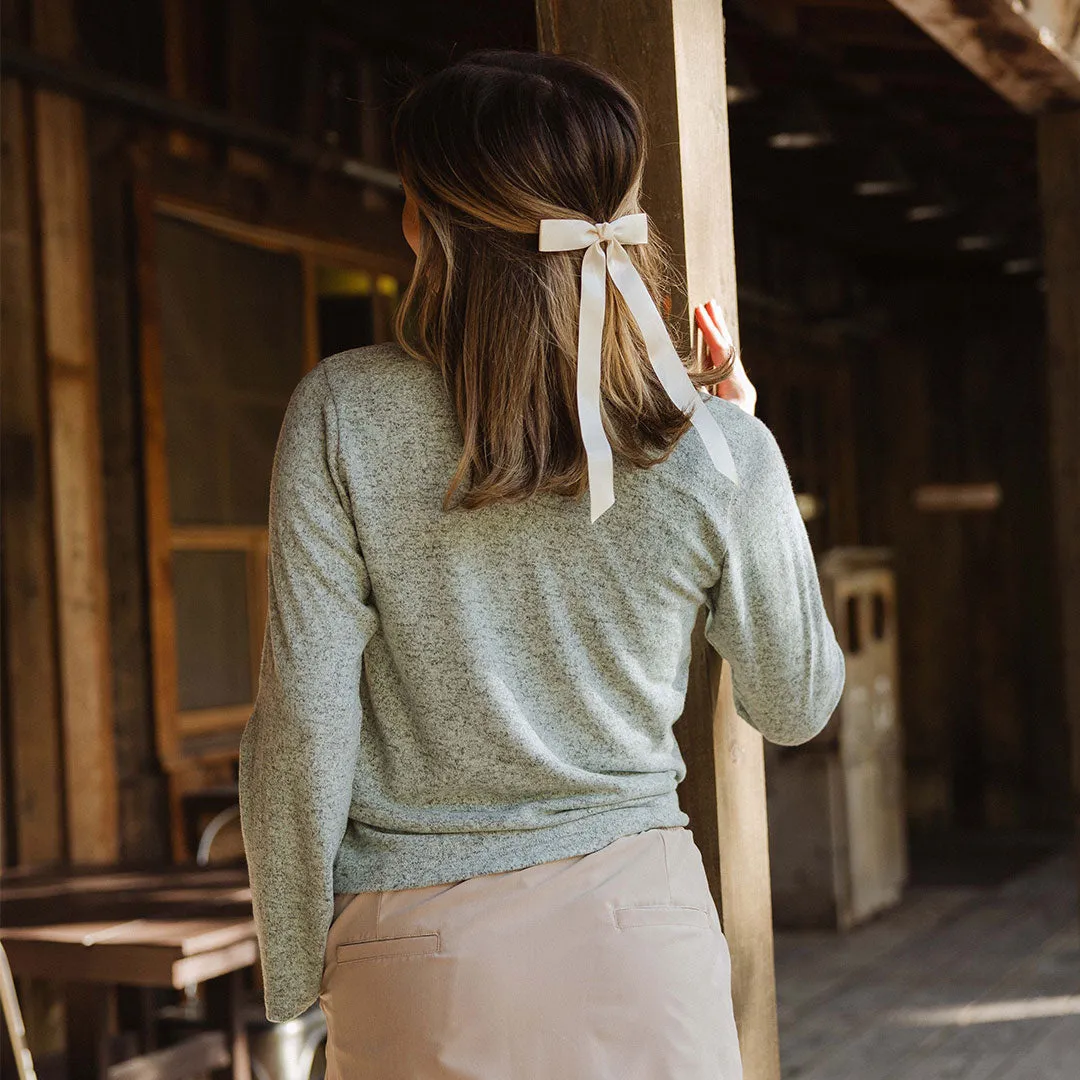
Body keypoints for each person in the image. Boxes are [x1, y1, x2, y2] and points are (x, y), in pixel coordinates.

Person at [238, 48, 845, 1080]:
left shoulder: (343, 413)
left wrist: (297, 974)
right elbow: (796, 703)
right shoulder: (716, 450)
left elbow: (303, 720)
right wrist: (751, 458)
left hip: (418, 953)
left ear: (418, 216)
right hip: (640, 941)